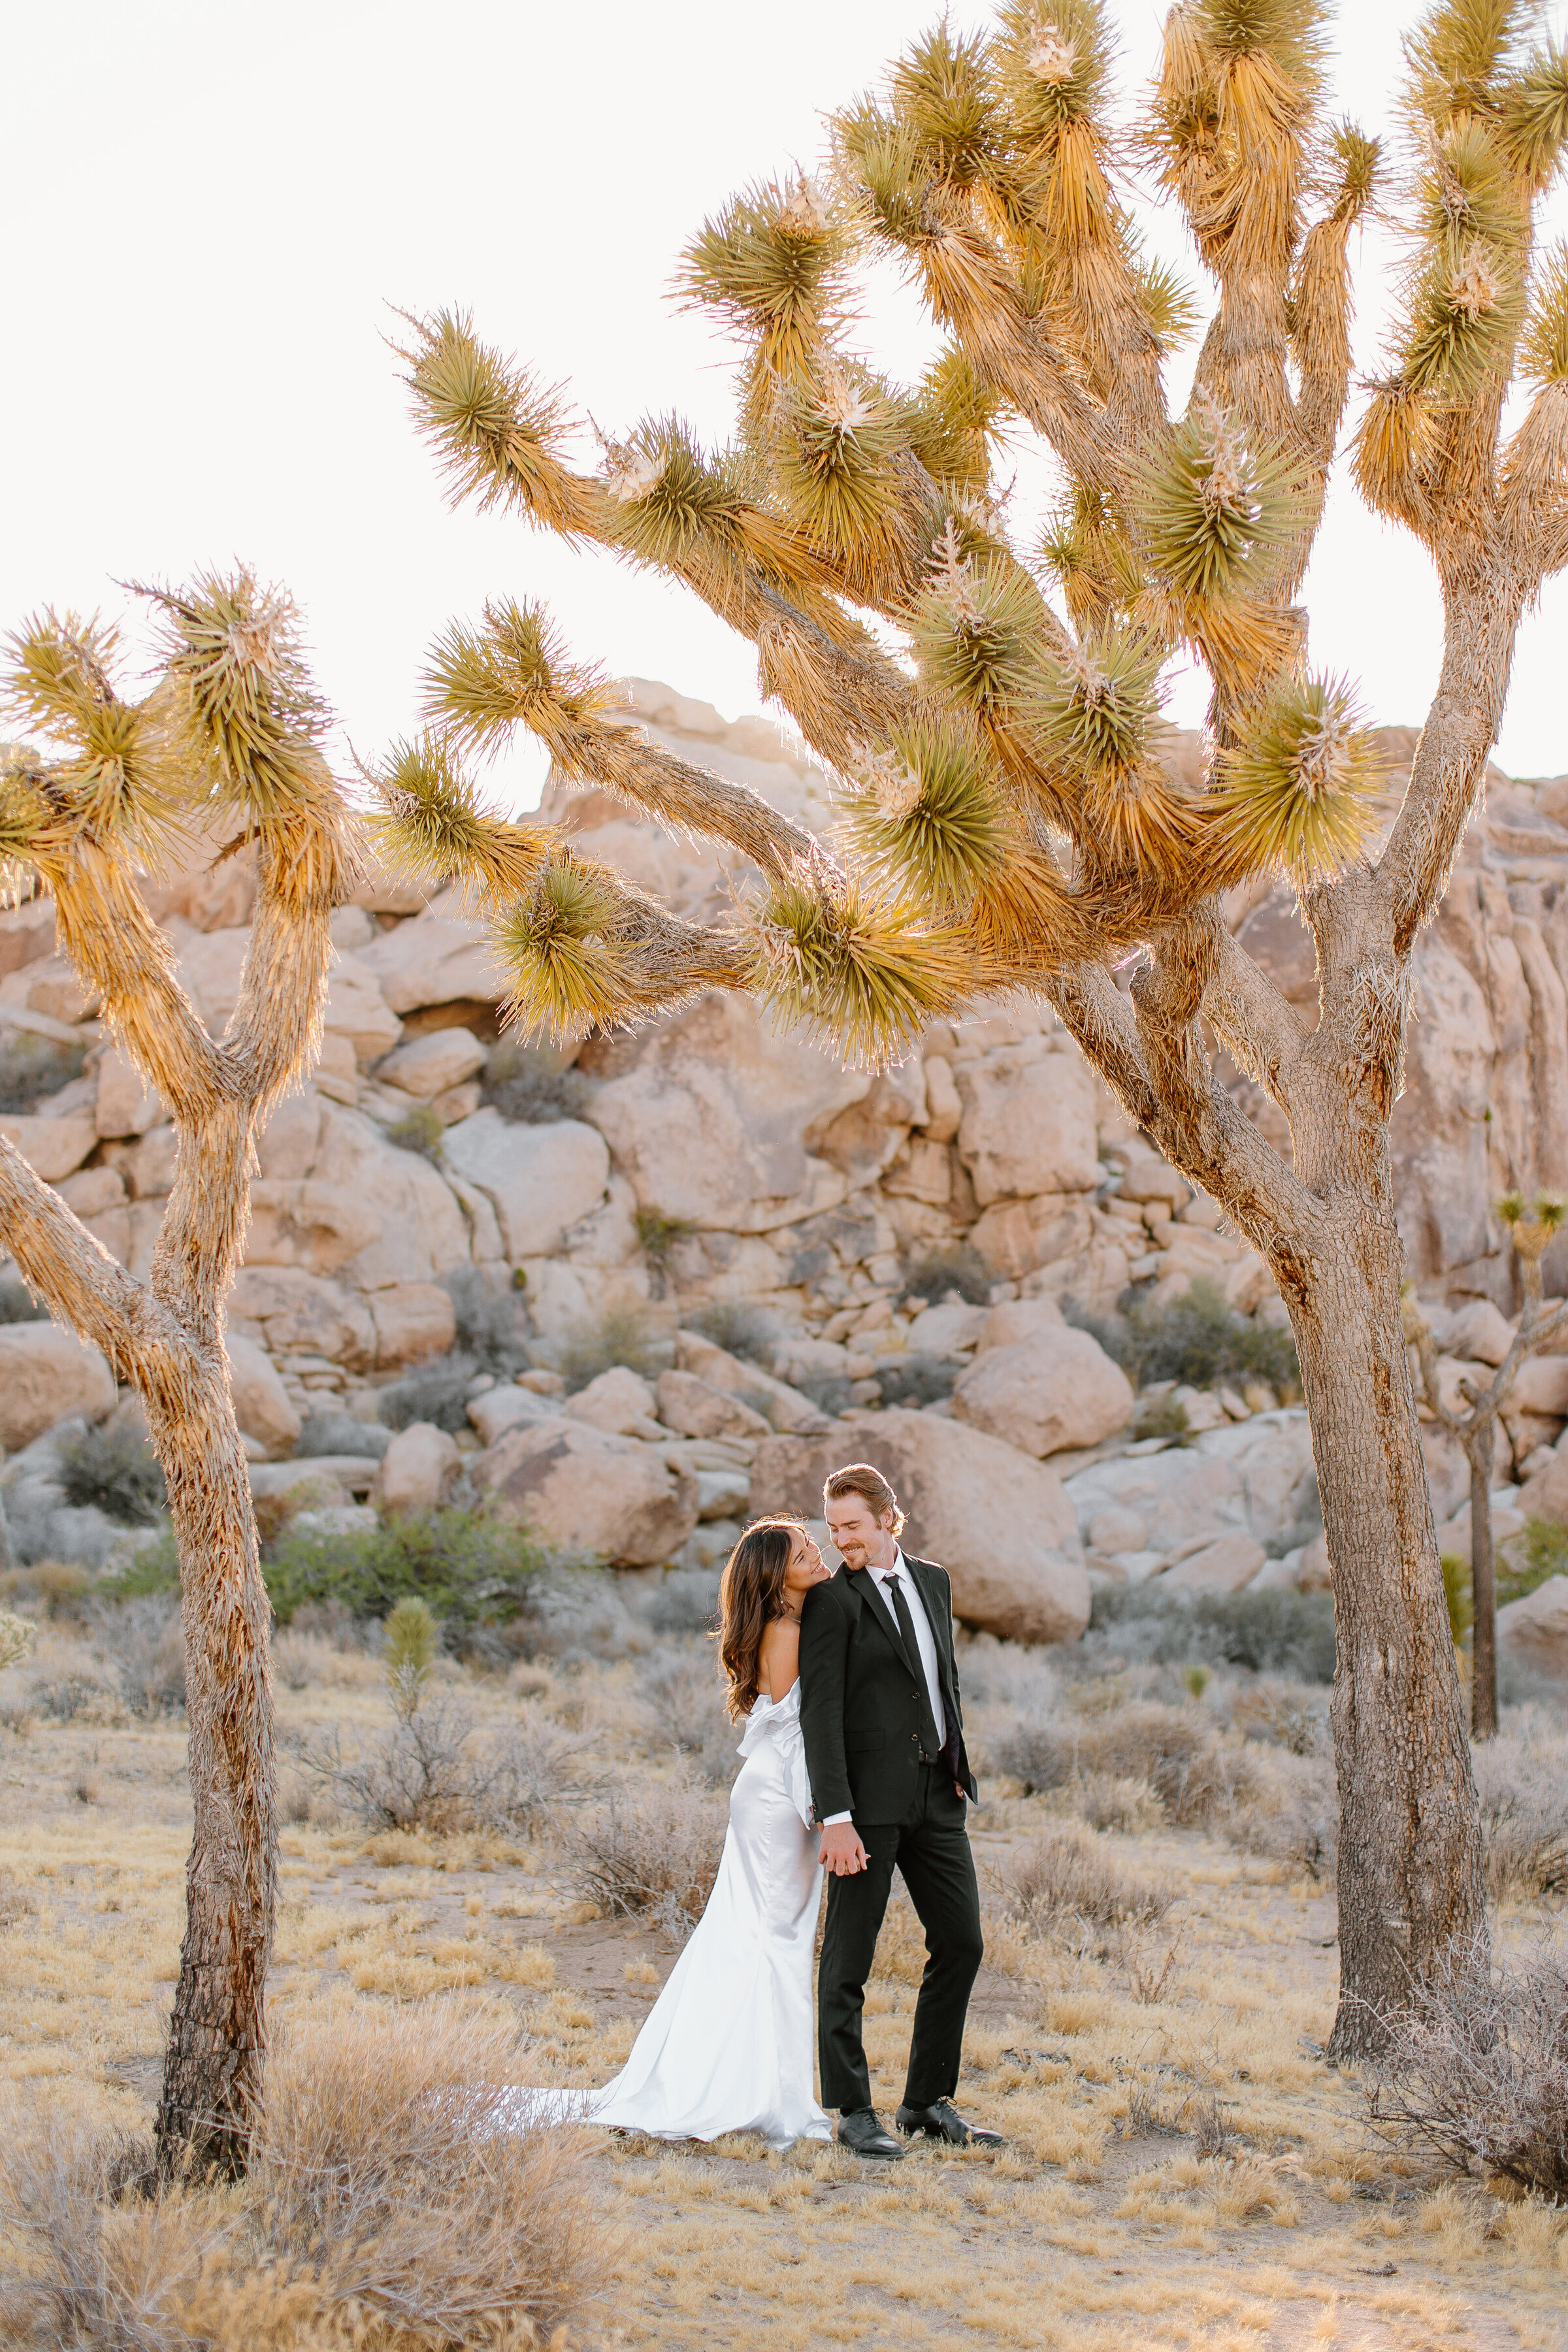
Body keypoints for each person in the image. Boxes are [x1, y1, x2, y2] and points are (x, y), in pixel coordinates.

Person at [515, 1516, 834, 2149]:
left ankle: (758, 2082)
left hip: (775, 1789)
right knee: (775, 1939)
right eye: (804, 1551)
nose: (817, 1552)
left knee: (766, 1936)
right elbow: (807, 1728)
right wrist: (828, 1812)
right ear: (776, 1576)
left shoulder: (795, 1624)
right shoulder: (786, 1630)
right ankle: (765, 2095)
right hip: (781, 1795)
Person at [798, 1462, 1000, 2162]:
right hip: (866, 1809)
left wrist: (954, 1766)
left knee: (962, 1941)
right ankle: (853, 2109)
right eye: (833, 1529)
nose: (841, 1540)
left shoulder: (935, 1582)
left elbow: (941, 1680)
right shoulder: (833, 1600)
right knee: (849, 1956)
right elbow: (819, 1713)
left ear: (889, 1519)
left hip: (937, 1796)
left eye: (852, 1526)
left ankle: (924, 2103)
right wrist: (836, 1816)